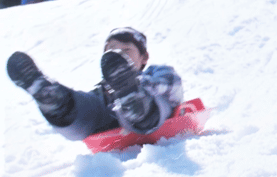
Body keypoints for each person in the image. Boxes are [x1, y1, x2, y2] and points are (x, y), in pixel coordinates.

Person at [6, 27, 184, 140]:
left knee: (155, 100)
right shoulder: (103, 90)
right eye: (112, 51)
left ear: (144, 57)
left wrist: (139, 84)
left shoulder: (155, 72)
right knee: (87, 106)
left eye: (126, 50)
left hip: (154, 113)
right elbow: (92, 104)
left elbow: (173, 87)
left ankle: (136, 102)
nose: (118, 55)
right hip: (109, 117)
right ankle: (53, 100)